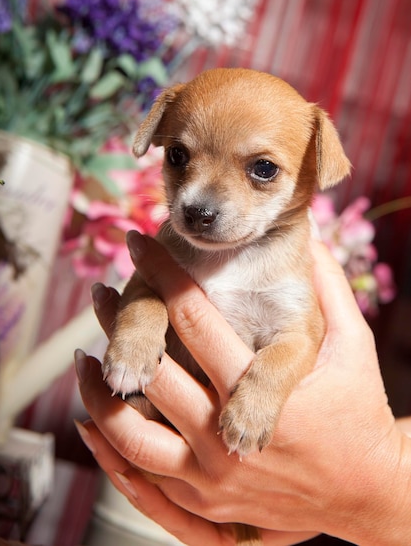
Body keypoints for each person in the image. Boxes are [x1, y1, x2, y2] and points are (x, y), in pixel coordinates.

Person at [75, 230, 411, 546]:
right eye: (179, 162)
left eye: (263, 168)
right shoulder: (181, 239)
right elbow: (146, 288)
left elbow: (297, 342)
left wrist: (378, 486)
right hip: (192, 479)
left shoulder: (287, 261)